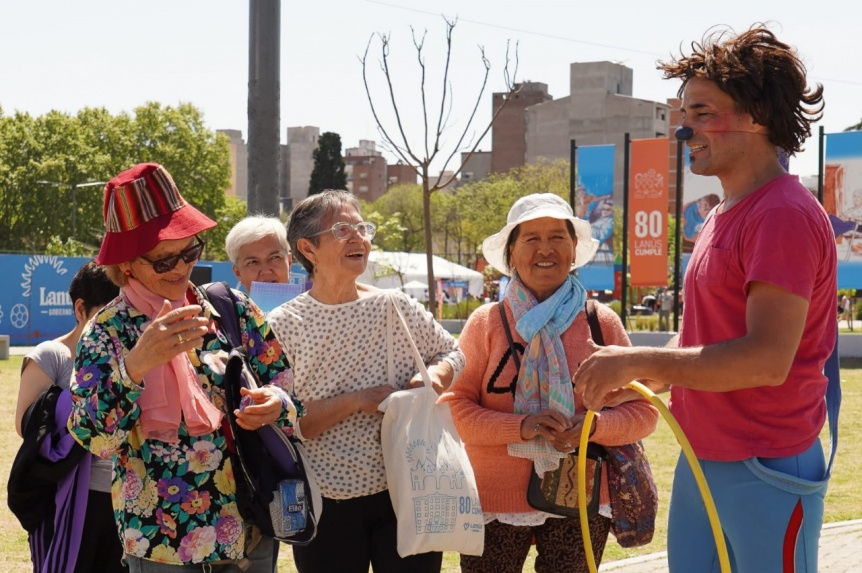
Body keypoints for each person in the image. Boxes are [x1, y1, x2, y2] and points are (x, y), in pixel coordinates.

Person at [575, 25, 834, 573]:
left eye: (701, 112)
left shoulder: (780, 213)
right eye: (682, 112)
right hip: (705, 457)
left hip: (766, 463)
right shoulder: (724, 211)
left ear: (757, 116)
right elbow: (702, 338)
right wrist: (634, 382)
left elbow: (766, 359)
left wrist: (640, 359)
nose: (681, 128)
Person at [67, 162, 304, 571]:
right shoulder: (106, 332)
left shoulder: (231, 308)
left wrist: (275, 402)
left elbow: (287, 389)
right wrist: (135, 366)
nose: (179, 268)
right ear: (125, 265)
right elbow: (96, 439)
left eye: (189, 252)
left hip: (248, 529)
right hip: (160, 542)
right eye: (162, 261)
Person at [439, 193, 658, 573]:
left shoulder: (600, 322)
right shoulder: (486, 323)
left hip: (581, 494)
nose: (546, 249)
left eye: (558, 237)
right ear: (511, 253)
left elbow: (642, 411)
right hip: (494, 499)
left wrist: (592, 427)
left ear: (574, 250)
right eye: (531, 238)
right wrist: (521, 426)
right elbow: (454, 408)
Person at [266, 190, 465, 573]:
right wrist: (358, 400)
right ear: (308, 248)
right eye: (343, 229)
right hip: (326, 501)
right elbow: (289, 423)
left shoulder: (395, 306)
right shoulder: (283, 325)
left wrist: (431, 379)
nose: (359, 238)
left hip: (409, 489)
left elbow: (453, 353)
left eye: (362, 227)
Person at [14, 260, 123, 572]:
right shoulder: (53, 355)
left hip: (125, 498)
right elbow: (26, 424)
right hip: (71, 499)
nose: (118, 325)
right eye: (108, 314)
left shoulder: (133, 357)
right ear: (80, 309)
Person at [225, 215, 291, 293]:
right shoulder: (221, 305)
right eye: (253, 262)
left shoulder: (308, 304)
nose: (266, 271)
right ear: (238, 273)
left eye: (275, 258)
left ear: (289, 262)